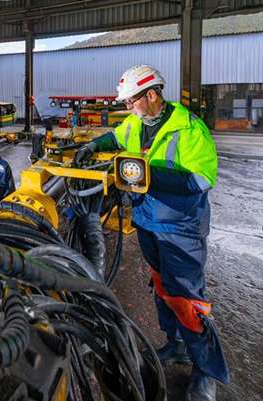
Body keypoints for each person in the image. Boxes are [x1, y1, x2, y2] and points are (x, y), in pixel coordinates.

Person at [75, 65, 228, 401]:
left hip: (180, 227)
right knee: (161, 287)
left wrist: (150, 176)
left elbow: (202, 179)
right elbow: (117, 135)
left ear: (152, 95)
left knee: (188, 298)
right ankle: (176, 346)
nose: (127, 107)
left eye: (131, 101)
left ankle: (207, 372)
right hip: (147, 221)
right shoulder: (137, 122)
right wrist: (92, 145)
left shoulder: (189, 130)